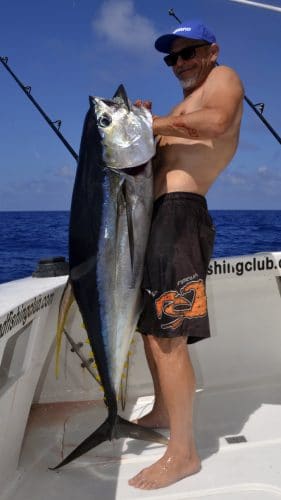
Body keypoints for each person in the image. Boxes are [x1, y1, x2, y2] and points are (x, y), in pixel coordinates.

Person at [129, 20, 244, 490]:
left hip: (181, 213)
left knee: (169, 333)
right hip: (154, 219)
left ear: (211, 50)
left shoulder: (224, 79)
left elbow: (217, 123)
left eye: (188, 53)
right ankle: (160, 410)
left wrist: (156, 124)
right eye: (171, 58)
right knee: (151, 330)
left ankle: (184, 453)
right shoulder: (181, 105)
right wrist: (143, 134)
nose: (180, 63)